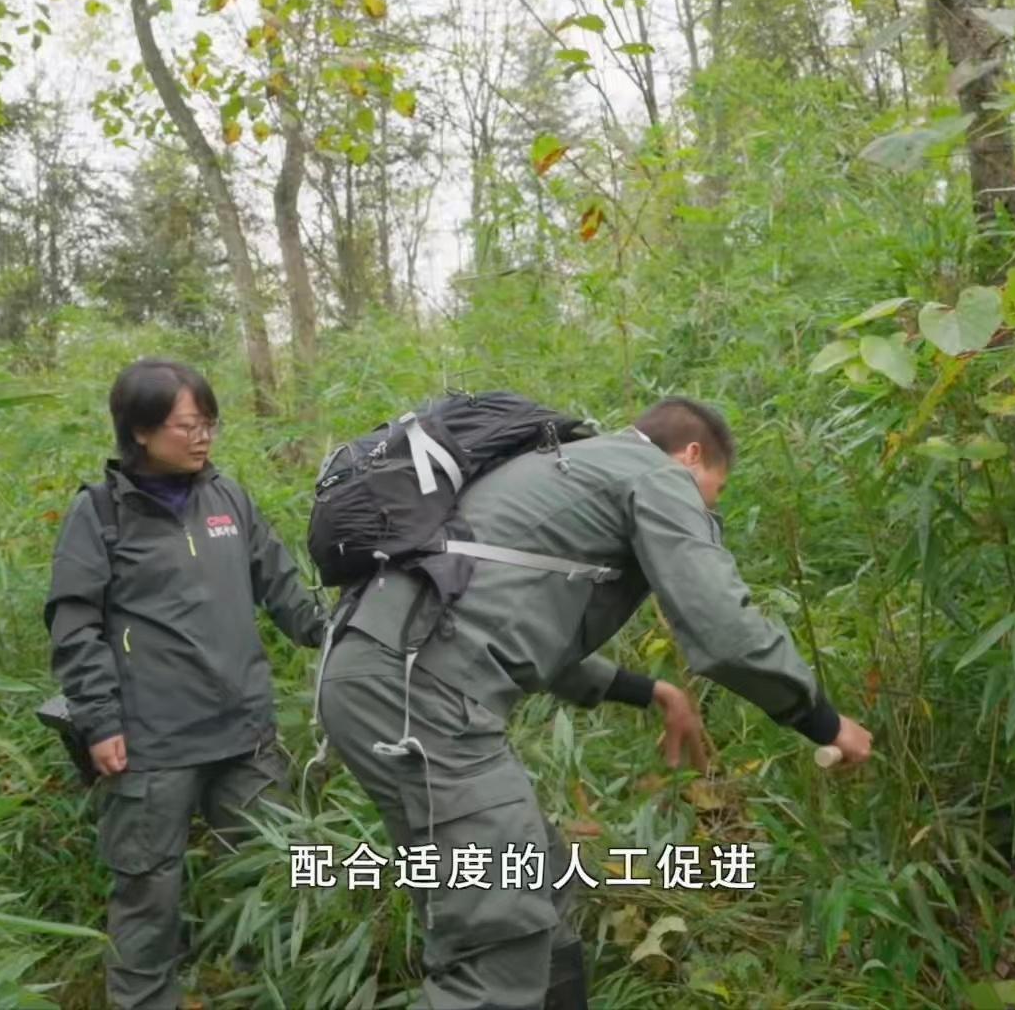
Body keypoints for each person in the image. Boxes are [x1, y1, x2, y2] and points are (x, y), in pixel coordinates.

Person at [315, 395, 874, 1010]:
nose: (709, 508)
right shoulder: (654, 475)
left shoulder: (566, 468)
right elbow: (725, 631)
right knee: (497, 949)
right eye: (714, 493)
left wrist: (649, 690)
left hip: (384, 681)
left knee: (540, 888)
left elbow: (517, 625)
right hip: (423, 700)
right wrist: (823, 721)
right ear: (691, 455)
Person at [45, 358, 328, 1010]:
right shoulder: (100, 515)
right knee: (147, 897)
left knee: (274, 877)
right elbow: (74, 623)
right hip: (151, 744)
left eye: (210, 424)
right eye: (187, 425)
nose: (203, 437)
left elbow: (286, 591)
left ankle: (270, 993)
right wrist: (100, 721)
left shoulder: (229, 499)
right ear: (140, 431)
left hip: (245, 735)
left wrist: (349, 635)